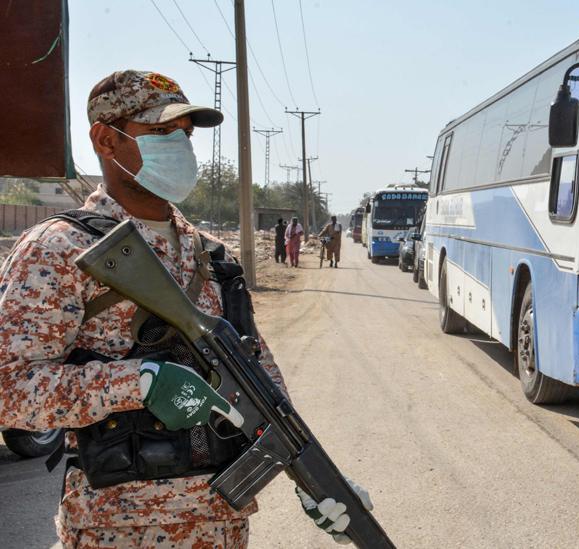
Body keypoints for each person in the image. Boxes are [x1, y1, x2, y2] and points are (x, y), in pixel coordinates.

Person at [0, 70, 368, 548]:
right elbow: (9, 387)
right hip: (115, 529)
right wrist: (139, 383)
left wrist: (315, 478)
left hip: (221, 526)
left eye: (185, 134)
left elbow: (260, 381)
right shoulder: (60, 249)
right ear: (105, 140)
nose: (179, 145)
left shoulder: (213, 256)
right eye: (159, 132)